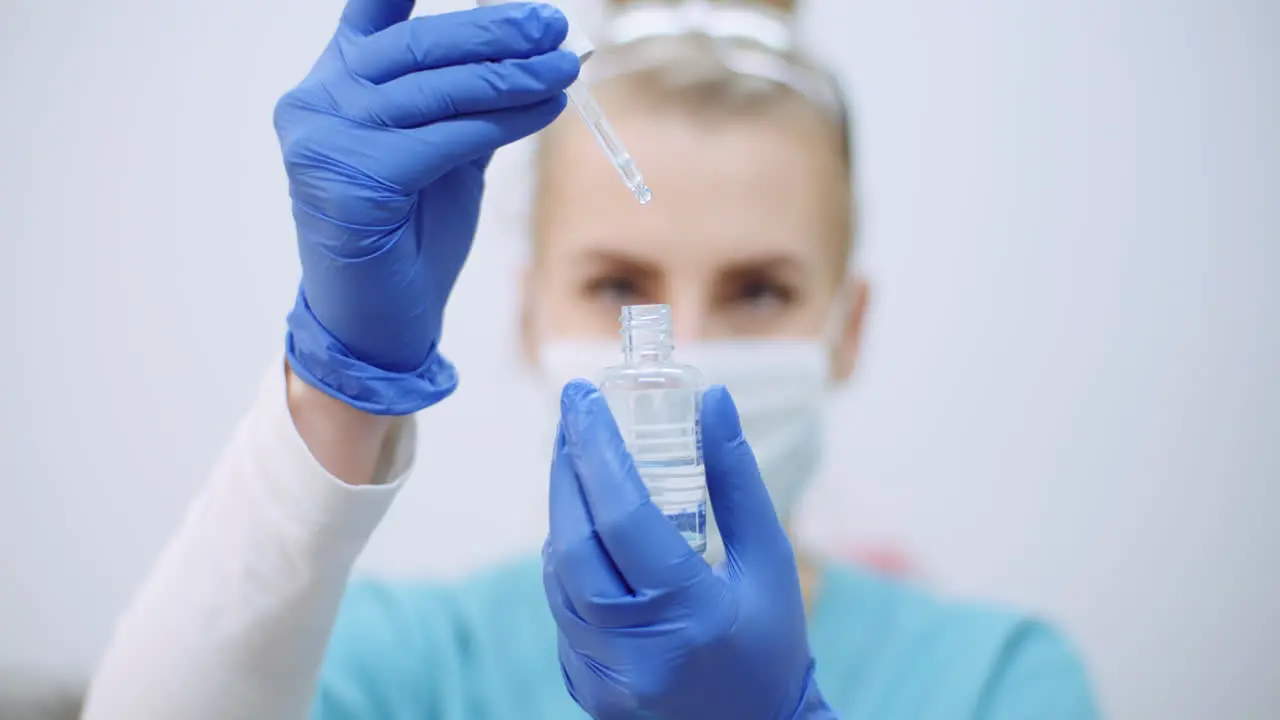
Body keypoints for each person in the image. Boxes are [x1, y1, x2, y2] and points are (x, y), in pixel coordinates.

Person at [83, 1, 1101, 718]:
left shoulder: (994, 680)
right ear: (527, 315)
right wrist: (341, 375)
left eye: (758, 291)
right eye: (618, 287)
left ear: (849, 326)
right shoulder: (411, 664)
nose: (685, 348)